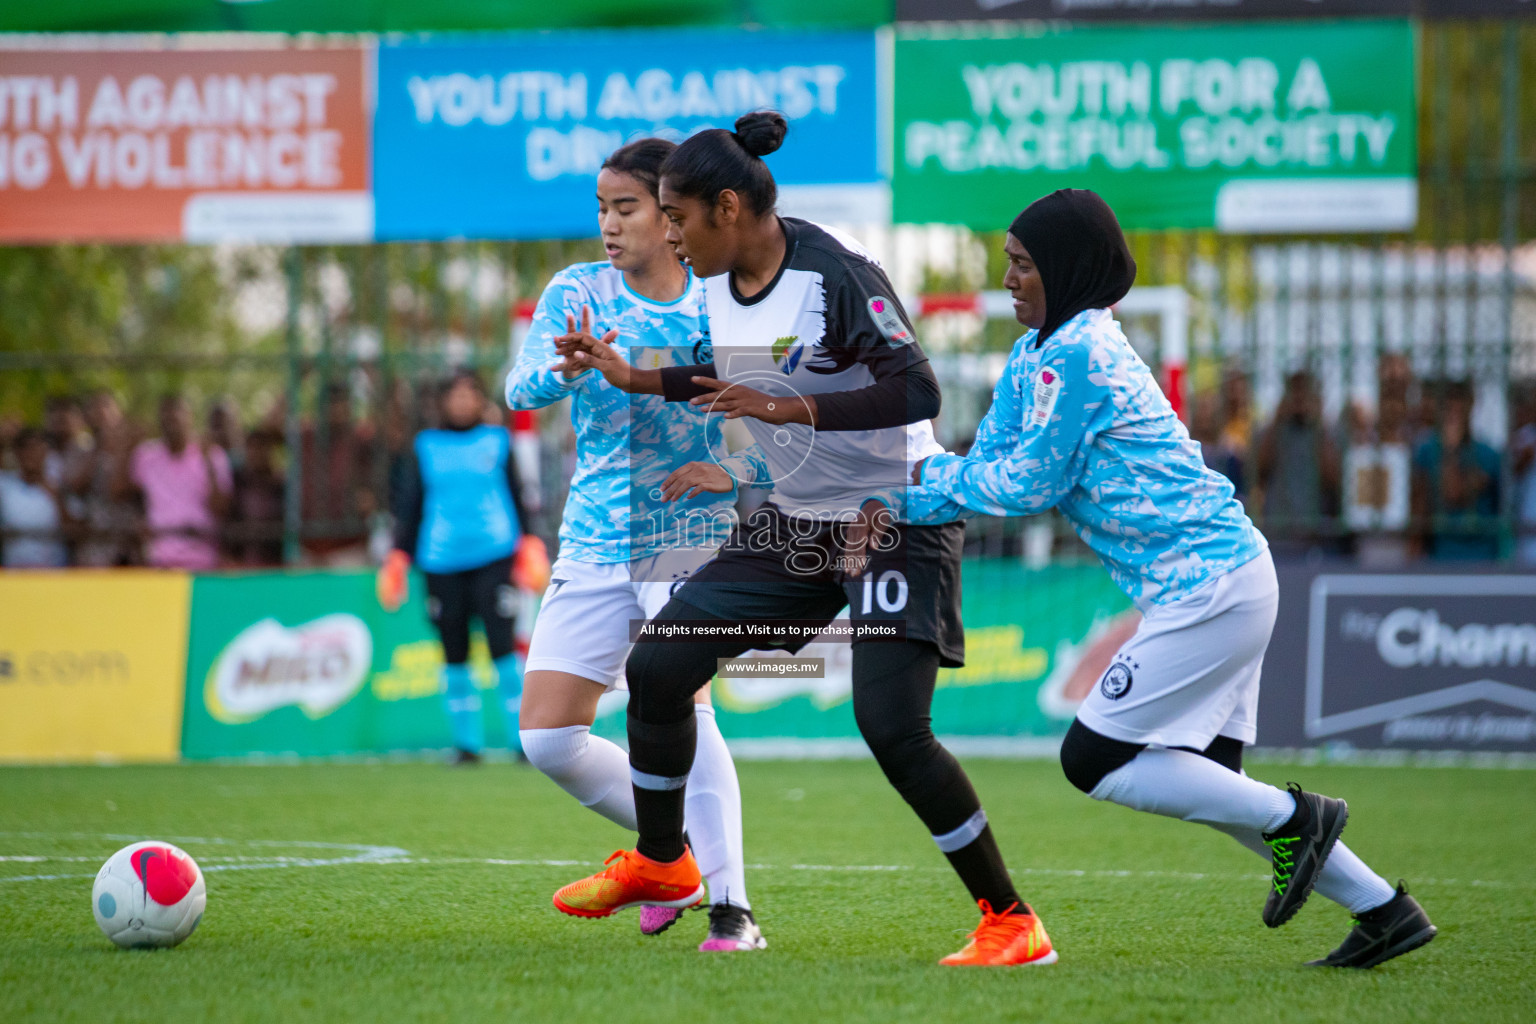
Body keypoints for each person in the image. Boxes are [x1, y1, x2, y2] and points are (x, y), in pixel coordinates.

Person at [881, 188, 1435, 970]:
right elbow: (987, 464)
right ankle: (1384, 909)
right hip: (1220, 582)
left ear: (1067, 270)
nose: (1009, 278)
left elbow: (1025, 486)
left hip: (1212, 590)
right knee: (1206, 782)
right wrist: (927, 474)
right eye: (1008, 262)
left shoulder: (1081, 353)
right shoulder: (1036, 351)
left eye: (1023, 264)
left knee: (1093, 761)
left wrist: (906, 485)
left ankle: (1300, 817)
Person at [551, 113, 1047, 967]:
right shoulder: (716, 279)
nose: (668, 235)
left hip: (891, 518)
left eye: (677, 217)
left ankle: (1010, 919)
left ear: (729, 207)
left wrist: (787, 408)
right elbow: (724, 367)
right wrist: (629, 373)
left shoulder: (837, 275)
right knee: (660, 666)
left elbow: (918, 389)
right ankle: (666, 864)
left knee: (893, 729)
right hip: (798, 519)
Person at [506, 137, 770, 952]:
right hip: (591, 538)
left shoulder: (720, 302)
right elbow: (518, 387)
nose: (609, 227)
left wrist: (718, 462)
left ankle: (732, 909)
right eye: (601, 210)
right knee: (547, 739)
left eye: (626, 209)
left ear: (671, 215)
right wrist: (569, 368)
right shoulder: (576, 289)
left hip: (684, 538)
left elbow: (756, 430)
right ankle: (674, 859)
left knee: (688, 710)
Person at [379, 371, 535, 766]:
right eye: (456, 395)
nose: (463, 402)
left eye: (470, 395)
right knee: (454, 650)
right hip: (441, 560)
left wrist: (530, 544)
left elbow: (518, 495)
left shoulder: (498, 441)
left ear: (480, 400)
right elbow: (410, 505)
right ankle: (467, 745)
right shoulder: (426, 446)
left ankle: (524, 740)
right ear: (443, 401)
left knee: (503, 645)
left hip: (494, 555)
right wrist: (399, 556)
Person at [117, 394, 232, 571]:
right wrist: (125, 445)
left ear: (190, 417)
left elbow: (220, 508)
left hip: (202, 556)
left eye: (177, 416)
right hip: (158, 558)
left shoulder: (213, 454)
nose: (172, 423)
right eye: (166, 418)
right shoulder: (146, 454)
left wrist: (209, 464)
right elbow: (118, 492)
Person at [1412, 380, 1501, 561]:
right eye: (1448, 403)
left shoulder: (1488, 455)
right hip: (1438, 559)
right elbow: (1418, 510)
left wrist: (1450, 449)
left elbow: (1453, 493)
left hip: (1481, 560)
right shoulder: (1426, 451)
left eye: (1460, 402)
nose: (1453, 410)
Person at [1255, 369, 1341, 555]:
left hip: (1317, 534)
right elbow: (1258, 471)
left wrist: (1318, 420)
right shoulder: (1272, 432)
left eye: (1305, 392)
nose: (1300, 399)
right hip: (1279, 531)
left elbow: (1333, 478)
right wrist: (1278, 418)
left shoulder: (1328, 434)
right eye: (1295, 392)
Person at [301, 382, 376, 566]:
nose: (335, 410)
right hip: (308, 547)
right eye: (330, 404)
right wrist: (301, 377)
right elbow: (269, 427)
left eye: (341, 404)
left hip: (349, 547)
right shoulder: (307, 436)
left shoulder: (360, 437)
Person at [67, 390, 142, 567]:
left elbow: (126, 490)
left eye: (107, 406)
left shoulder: (138, 451)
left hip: (128, 540)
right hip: (96, 542)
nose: (101, 412)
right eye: (95, 408)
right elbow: (76, 488)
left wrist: (124, 449)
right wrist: (99, 448)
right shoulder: (80, 450)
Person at [0, 428, 71, 568]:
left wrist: (56, 498)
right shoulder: (4, 485)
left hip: (53, 572)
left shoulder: (60, 485)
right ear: (17, 453)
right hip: (12, 571)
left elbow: (74, 527)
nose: (31, 454)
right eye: (26, 448)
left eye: (37, 448)